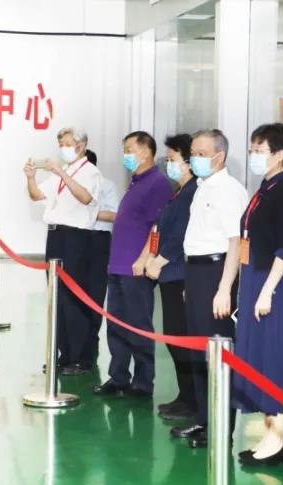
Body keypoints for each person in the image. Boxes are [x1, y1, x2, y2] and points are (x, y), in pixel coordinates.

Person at [170, 129, 248, 450]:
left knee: (218, 351)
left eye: (202, 153)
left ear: (220, 156)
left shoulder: (230, 190)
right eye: (193, 153)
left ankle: (221, 426)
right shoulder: (202, 188)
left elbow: (235, 242)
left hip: (217, 271)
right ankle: (204, 418)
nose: (195, 159)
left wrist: (225, 288)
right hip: (196, 272)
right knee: (198, 350)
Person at [230, 123, 283, 466]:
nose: (254, 156)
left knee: (275, 358)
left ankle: (276, 440)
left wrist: (267, 291)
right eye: (252, 150)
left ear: (279, 154)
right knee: (258, 357)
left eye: (260, 150)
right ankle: (270, 435)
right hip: (254, 278)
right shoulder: (265, 188)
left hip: (272, 284)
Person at [94, 132, 172, 398]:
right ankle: (118, 377)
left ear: (146, 152)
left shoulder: (158, 183)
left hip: (136, 269)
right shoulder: (135, 182)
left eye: (129, 149)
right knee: (116, 326)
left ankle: (143, 381)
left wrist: (144, 258)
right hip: (118, 266)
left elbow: (157, 227)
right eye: (124, 149)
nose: (125, 155)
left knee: (138, 326)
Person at [24, 128, 101, 374]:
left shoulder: (90, 172)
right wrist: (31, 178)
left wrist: (61, 173)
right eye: (61, 144)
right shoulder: (62, 172)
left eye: (67, 143)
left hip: (76, 237)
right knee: (57, 296)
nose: (63, 148)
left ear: (81, 146)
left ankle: (80, 357)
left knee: (74, 298)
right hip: (56, 235)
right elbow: (37, 195)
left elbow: (86, 198)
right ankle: (64, 353)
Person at [145, 134, 202, 420]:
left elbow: (181, 235)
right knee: (173, 337)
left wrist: (159, 260)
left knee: (182, 338)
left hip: (179, 273)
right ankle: (185, 395)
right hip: (168, 274)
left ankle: (193, 401)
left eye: (172, 159)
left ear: (188, 162)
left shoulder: (193, 192)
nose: (168, 164)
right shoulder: (178, 192)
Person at [83, 149, 120, 375]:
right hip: (75, 238)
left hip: (98, 239)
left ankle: (91, 338)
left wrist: (86, 211)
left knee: (95, 291)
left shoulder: (107, 185)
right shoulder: (66, 185)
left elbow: (114, 215)